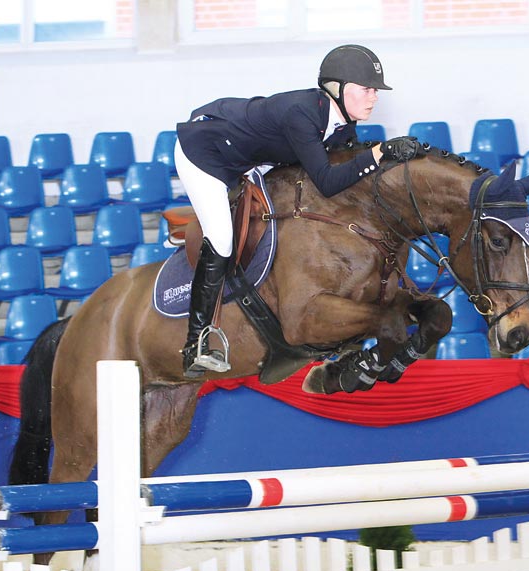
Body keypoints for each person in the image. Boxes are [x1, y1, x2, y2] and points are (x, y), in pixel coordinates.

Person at [174, 44, 423, 378]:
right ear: (338, 89)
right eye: (367, 89)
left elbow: (348, 179)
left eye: (375, 91)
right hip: (206, 153)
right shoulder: (302, 114)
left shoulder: (342, 125)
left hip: (250, 157)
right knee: (221, 237)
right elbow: (328, 182)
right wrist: (380, 153)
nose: (374, 97)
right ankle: (197, 341)